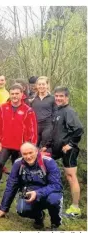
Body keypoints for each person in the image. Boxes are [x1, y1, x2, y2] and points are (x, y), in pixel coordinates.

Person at [0, 142, 63, 231]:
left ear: (36, 151)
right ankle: (39, 216)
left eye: (30, 153)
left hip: (48, 192)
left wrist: (37, 193)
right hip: (29, 192)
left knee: (54, 200)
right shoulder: (18, 164)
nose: (28, 156)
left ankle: (55, 224)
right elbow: (11, 185)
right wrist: (3, 208)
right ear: (21, 154)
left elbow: (56, 185)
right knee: (21, 210)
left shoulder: (48, 162)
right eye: (25, 154)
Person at [0, 84, 37, 199]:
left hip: (21, 146)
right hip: (5, 144)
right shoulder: (2, 108)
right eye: (12, 93)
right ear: (10, 94)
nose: (14, 96)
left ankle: (22, 191)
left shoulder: (28, 110)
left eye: (17, 94)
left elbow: (32, 130)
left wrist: (31, 147)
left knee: (22, 168)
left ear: (21, 94)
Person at [51, 87, 84, 217]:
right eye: (57, 96)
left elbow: (79, 129)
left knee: (70, 176)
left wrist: (70, 144)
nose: (58, 98)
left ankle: (75, 208)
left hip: (69, 149)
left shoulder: (69, 111)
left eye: (61, 96)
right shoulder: (58, 111)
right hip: (57, 148)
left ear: (67, 98)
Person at [30, 76, 55, 151]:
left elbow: (56, 114)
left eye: (43, 84)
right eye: (39, 84)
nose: (41, 86)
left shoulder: (52, 98)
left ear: (47, 85)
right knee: (33, 148)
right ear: (37, 86)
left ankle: (46, 162)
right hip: (36, 126)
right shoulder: (33, 99)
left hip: (47, 126)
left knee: (45, 148)